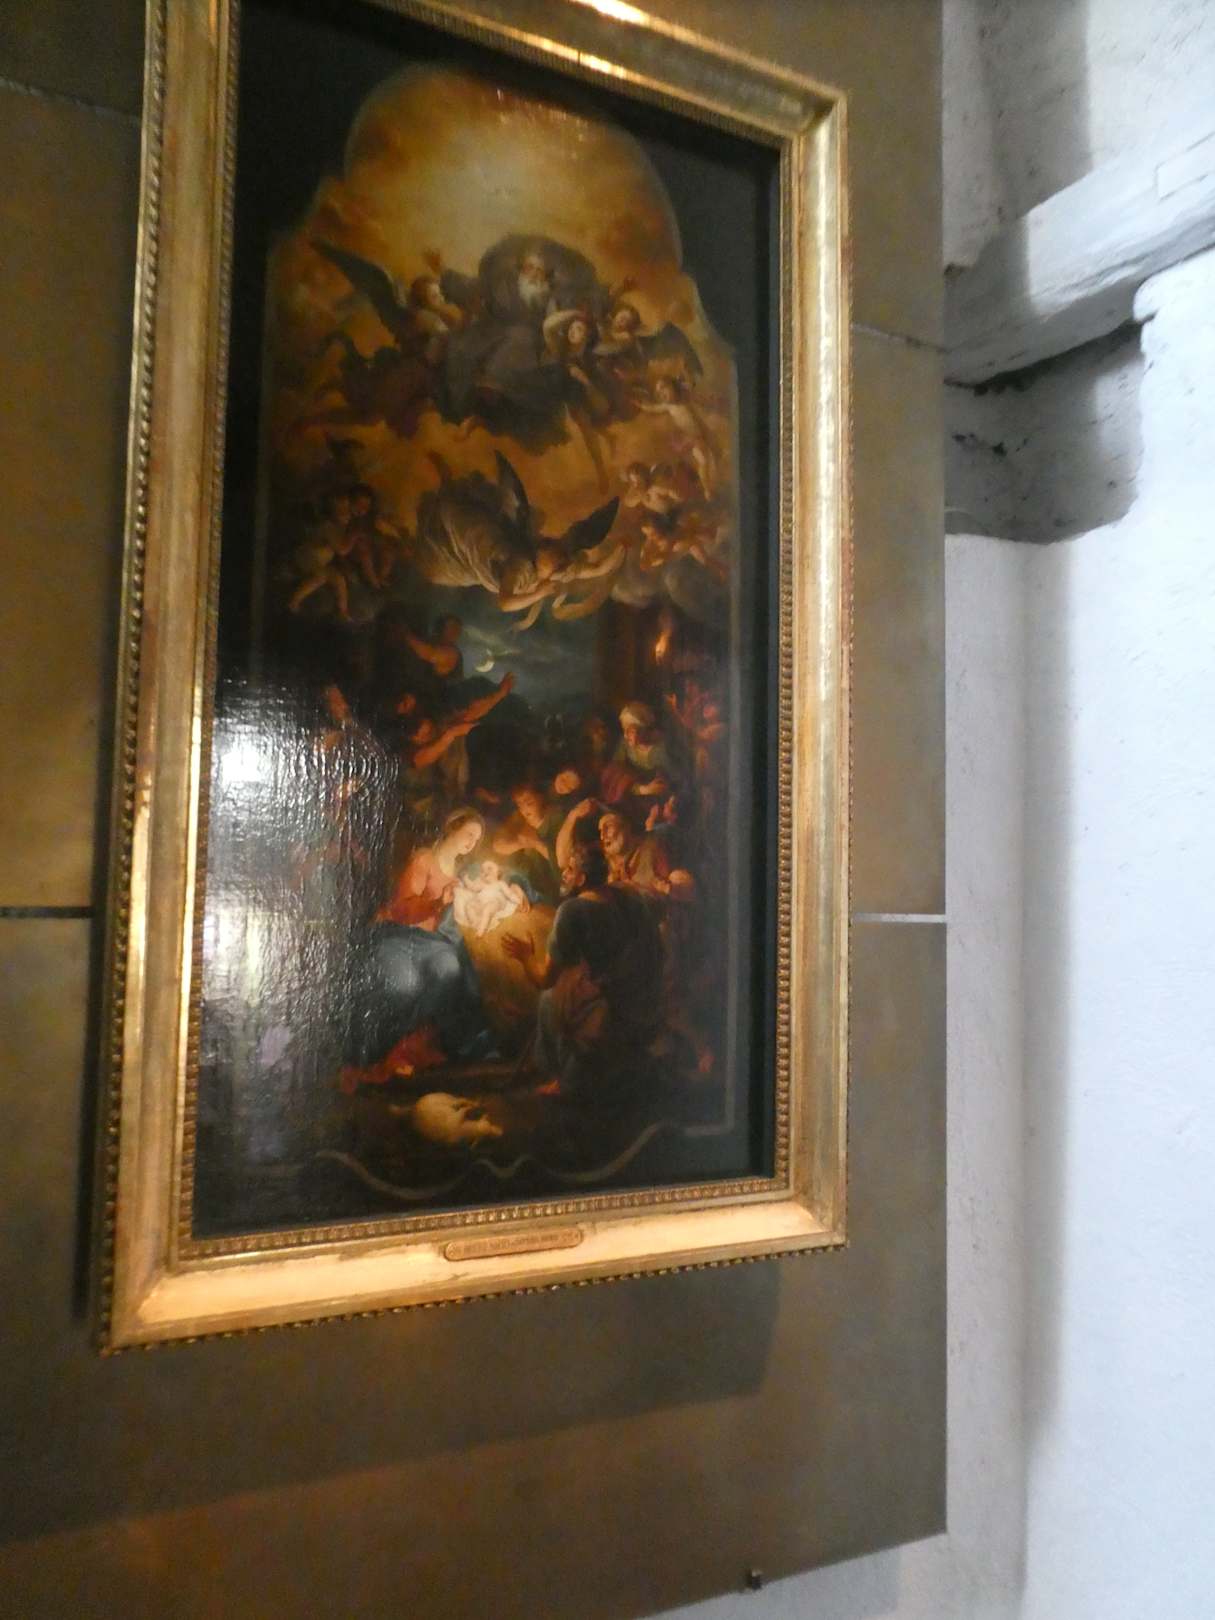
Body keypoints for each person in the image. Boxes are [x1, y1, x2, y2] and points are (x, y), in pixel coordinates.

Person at [502, 842, 666, 1104]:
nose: (564, 874)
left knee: (549, 1000)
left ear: (582, 877)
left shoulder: (573, 910)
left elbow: (545, 978)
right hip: (642, 993)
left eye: (570, 869)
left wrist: (525, 956)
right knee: (573, 984)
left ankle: (563, 1079)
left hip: (610, 1001)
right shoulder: (630, 897)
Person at [349, 808, 495, 1070]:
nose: (472, 843)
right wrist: (437, 902)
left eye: (477, 839)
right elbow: (401, 909)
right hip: (399, 935)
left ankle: (405, 1044)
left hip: (433, 942)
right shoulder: (425, 859)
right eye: (469, 834)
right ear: (453, 828)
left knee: (449, 969)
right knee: (406, 985)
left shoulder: (462, 875)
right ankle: (379, 1050)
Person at [451, 859, 530, 938]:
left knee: (487, 909)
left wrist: (518, 901)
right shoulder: (482, 884)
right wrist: (466, 879)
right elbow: (472, 887)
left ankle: (481, 930)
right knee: (469, 906)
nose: (485, 871)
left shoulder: (500, 884)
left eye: (489, 868)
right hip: (481, 903)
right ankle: (475, 922)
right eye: (482, 870)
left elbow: (510, 894)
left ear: (498, 872)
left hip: (496, 902)